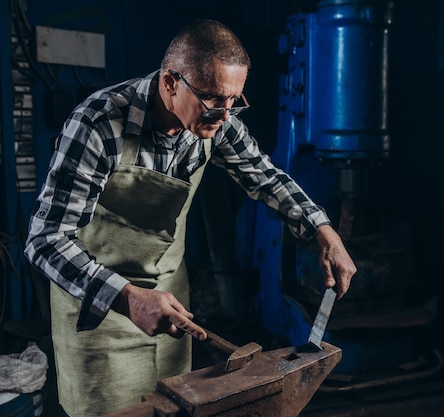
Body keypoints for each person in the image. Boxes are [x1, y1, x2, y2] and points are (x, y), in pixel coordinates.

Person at [23, 19, 357, 417]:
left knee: (174, 409)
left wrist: (323, 230)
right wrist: (127, 297)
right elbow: (45, 240)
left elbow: (265, 177)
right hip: (101, 315)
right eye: (214, 98)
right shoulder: (98, 124)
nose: (225, 113)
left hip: (170, 308)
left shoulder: (218, 120)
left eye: (235, 100)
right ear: (170, 83)